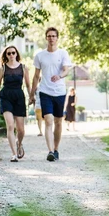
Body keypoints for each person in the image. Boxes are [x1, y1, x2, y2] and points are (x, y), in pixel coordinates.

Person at [30, 27, 73, 162]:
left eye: (54, 36)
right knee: (48, 120)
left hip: (59, 92)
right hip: (45, 92)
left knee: (58, 122)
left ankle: (56, 149)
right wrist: (32, 94)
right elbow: (36, 76)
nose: (51, 38)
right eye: (49, 36)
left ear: (57, 38)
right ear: (46, 38)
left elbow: (66, 70)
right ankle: (50, 151)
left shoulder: (63, 53)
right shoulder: (40, 56)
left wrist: (59, 76)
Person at [0, 45, 31, 163]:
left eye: (13, 53)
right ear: (6, 55)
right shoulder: (3, 69)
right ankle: (14, 154)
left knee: (21, 130)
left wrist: (31, 96)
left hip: (19, 97)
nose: (11, 55)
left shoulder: (23, 68)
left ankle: (19, 144)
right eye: (8, 53)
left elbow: (28, 84)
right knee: (10, 126)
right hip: (6, 97)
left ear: (17, 54)